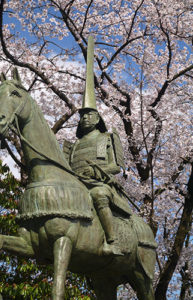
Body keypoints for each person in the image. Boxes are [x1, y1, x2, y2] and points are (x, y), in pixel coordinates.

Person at [63, 37, 132, 255]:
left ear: (98, 119)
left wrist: (96, 171)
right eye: (82, 115)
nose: (85, 118)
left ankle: (112, 241)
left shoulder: (106, 139)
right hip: (75, 185)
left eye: (90, 114)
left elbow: (115, 167)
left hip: (98, 183)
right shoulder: (73, 145)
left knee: (100, 195)